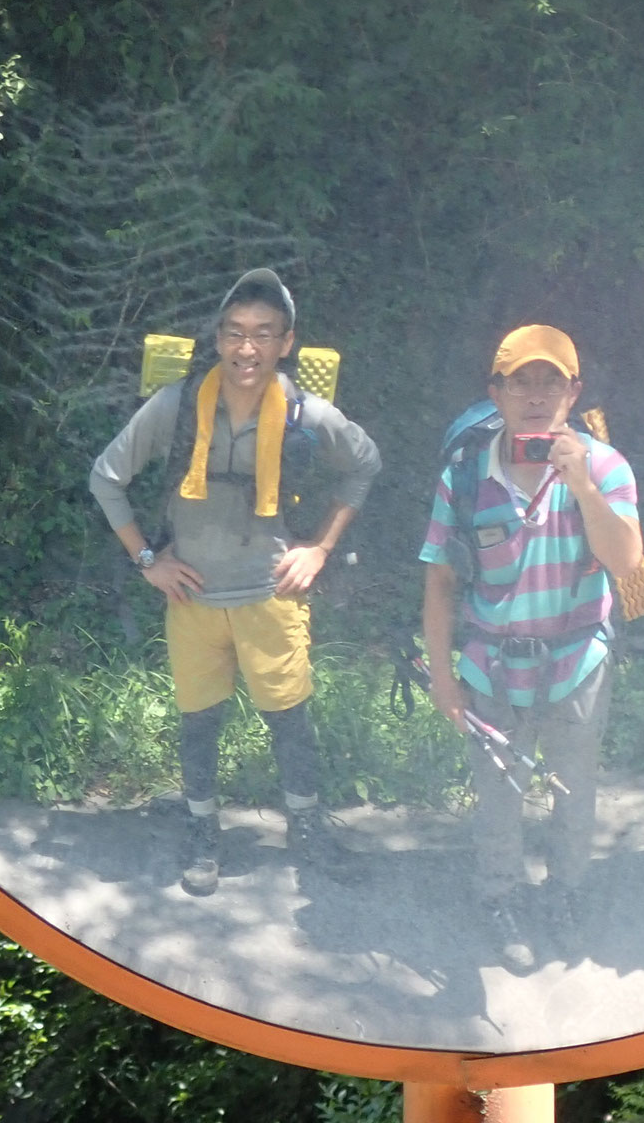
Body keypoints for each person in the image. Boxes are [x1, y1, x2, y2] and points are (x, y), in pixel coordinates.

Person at [90, 268, 381, 896]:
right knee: (199, 723)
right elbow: (105, 477)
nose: (246, 348)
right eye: (234, 332)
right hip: (191, 595)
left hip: (271, 595)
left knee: (290, 721)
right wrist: (148, 561)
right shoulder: (177, 406)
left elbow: (364, 466)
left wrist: (320, 548)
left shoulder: (307, 413)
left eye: (263, 334)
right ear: (218, 338)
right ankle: (202, 831)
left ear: (286, 343)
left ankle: (307, 828)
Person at [419, 325, 641, 972]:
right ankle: (501, 897)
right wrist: (441, 675)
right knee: (499, 795)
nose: (537, 395)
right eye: (522, 381)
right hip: (490, 666)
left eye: (552, 381)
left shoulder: (604, 467)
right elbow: (439, 579)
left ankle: (566, 894)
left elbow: (626, 561)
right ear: (497, 391)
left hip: (578, 665)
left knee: (574, 791)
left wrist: (582, 487)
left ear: (574, 392)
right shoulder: (465, 475)